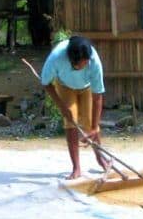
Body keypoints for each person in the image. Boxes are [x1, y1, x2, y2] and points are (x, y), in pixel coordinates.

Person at [41, 35, 110, 179]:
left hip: (86, 88)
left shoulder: (94, 61)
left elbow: (98, 96)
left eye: (86, 63)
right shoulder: (56, 58)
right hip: (65, 86)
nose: (84, 66)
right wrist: (62, 106)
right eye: (80, 65)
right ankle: (76, 167)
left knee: (91, 123)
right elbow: (46, 83)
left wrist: (94, 127)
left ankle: (100, 158)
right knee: (70, 121)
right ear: (70, 59)